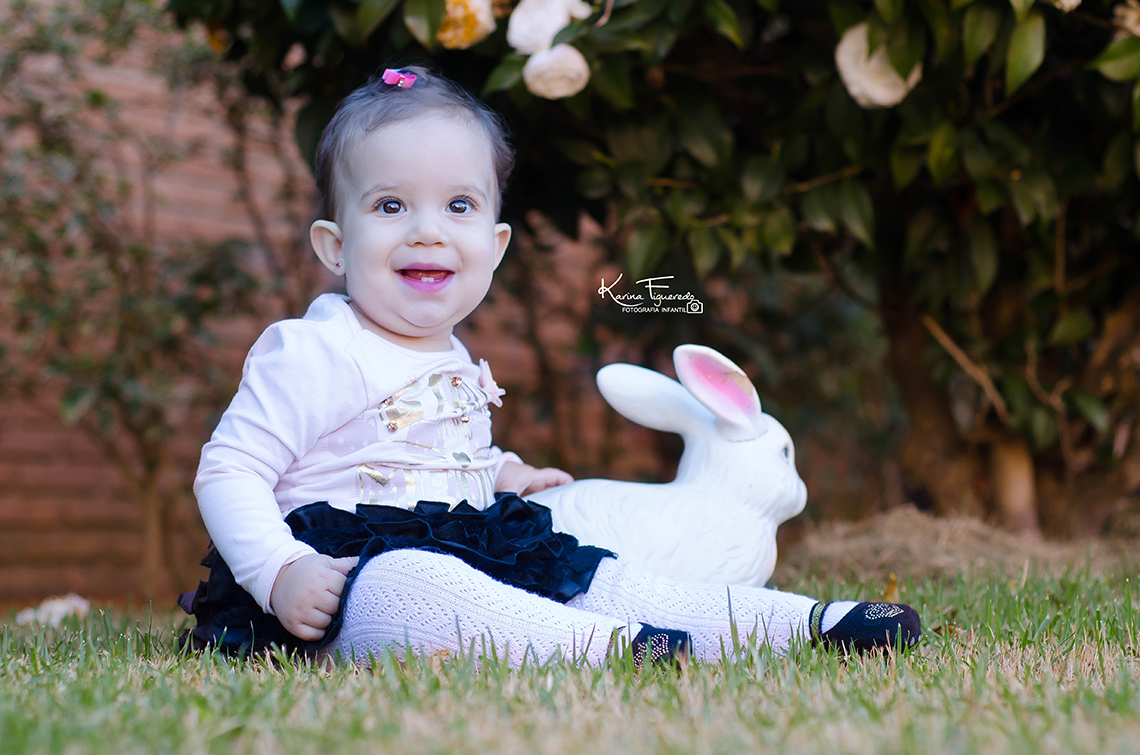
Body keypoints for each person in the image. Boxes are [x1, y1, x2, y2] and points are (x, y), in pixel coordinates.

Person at [179, 67, 922, 667]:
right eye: (392, 205)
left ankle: (807, 624)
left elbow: (439, 455)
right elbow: (229, 470)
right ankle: (605, 649)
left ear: (496, 246)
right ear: (335, 245)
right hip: (342, 575)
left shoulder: (453, 356)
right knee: (417, 584)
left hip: (464, 538)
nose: (428, 231)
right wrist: (279, 570)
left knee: (593, 570)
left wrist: (501, 474)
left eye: (459, 205)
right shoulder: (312, 348)